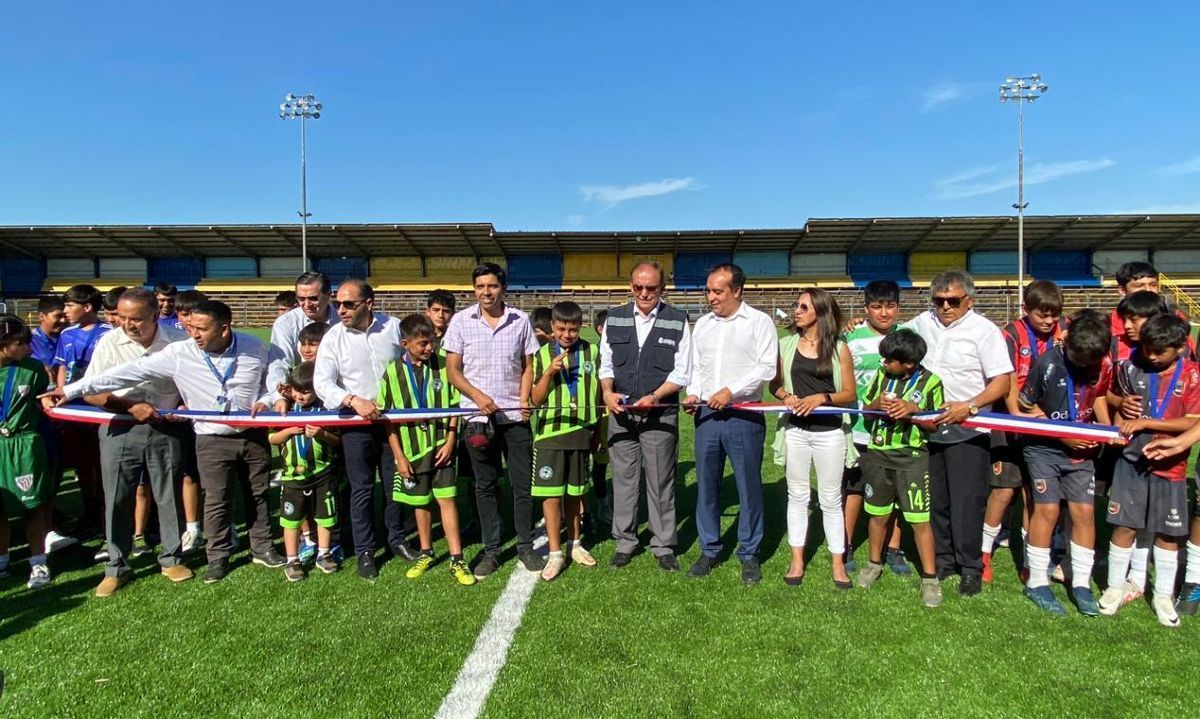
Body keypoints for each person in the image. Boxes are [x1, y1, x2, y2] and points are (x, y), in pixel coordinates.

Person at [53, 300, 285, 584]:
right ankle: (218, 557)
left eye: (202, 329)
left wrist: (266, 400)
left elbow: (273, 382)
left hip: (252, 434)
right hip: (210, 437)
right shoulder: (179, 353)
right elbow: (122, 374)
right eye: (191, 328)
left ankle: (262, 547)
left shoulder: (256, 346)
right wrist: (70, 390)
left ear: (224, 329)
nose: (195, 334)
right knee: (215, 499)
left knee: (258, 493)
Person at [906, 270, 1012, 596]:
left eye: (953, 301)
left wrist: (971, 406)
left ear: (969, 300)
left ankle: (970, 566)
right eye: (939, 301)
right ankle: (942, 559)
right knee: (936, 500)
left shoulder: (985, 331)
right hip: (928, 428)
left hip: (968, 428)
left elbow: (1001, 382)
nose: (946, 307)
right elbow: (894, 342)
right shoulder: (921, 323)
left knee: (967, 502)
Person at [82, 288, 194, 596]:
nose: (129, 325)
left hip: (166, 429)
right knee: (117, 497)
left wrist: (185, 405)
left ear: (155, 315)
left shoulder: (177, 341)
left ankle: (171, 557)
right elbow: (91, 391)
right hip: (119, 429)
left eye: (137, 319)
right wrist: (130, 406)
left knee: (167, 494)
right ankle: (116, 566)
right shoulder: (109, 342)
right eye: (123, 318)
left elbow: (192, 382)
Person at [1101, 313, 1200, 627]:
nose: (1152, 356)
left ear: (1180, 348)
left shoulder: (1193, 376)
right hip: (1130, 462)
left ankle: (1162, 595)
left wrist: (1147, 422)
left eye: (1160, 352)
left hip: (1170, 467)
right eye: (1147, 350)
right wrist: (1119, 420)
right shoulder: (1132, 368)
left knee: (1168, 534)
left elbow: (1193, 421)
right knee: (1124, 526)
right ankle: (1115, 588)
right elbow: (1117, 405)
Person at [444, 262, 542, 579]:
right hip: (477, 418)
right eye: (480, 286)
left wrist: (525, 398)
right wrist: (477, 396)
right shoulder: (460, 322)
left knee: (522, 485)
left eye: (492, 286)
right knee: (484, 486)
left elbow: (528, 366)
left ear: (503, 288)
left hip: (514, 417)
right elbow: (453, 371)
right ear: (474, 289)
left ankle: (525, 545)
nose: (486, 292)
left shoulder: (520, 320)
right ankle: (492, 550)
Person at [312, 279, 413, 579]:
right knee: (362, 488)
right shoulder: (333, 338)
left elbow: (412, 361)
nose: (340, 309)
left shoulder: (393, 328)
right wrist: (353, 400)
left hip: (392, 424)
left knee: (396, 485)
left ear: (369, 304)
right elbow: (322, 383)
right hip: (355, 425)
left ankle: (396, 539)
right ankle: (365, 550)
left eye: (348, 304)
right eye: (337, 304)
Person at [684, 264, 777, 584]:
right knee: (707, 486)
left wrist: (730, 391)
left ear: (737, 291)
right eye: (708, 291)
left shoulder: (759, 322)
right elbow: (696, 366)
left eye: (717, 291)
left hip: (744, 415)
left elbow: (766, 368)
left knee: (748, 487)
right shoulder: (703, 325)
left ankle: (749, 553)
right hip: (707, 416)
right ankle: (709, 549)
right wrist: (693, 392)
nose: (711, 297)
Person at [1016, 311, 1112, 616]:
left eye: (1090, 362)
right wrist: (1063, 435)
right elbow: (1025, 406)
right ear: (1067, 343)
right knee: (1047, 509)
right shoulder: (1047, 364)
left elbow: (1096, 397)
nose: (1084, 366)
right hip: (1044, 449)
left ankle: (1081, 582)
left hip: (1080, 451)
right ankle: (1037, 582)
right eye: (1078, 360)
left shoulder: (1101, 365)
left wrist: (1105, 430)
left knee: (1084, 511)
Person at [599, 261, 691, 571]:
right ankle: (625, 541)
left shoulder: (678, 320)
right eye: (638, 287)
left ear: (662, 288)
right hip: (622, 414)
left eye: (651, 287)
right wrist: (607, 393)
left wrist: (655, 396)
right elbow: (606, 364)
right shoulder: (615, 318)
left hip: (659, 414)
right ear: (630, 286)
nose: (644, 293)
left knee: (660, 480)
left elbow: (683, 371)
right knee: (624, 480)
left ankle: (663, 543)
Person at [768, 288, 856, 587]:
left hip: (829, 433)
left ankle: (838, 563)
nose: (797, 310)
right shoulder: (786, 344)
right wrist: (786, 395)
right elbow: (774, 385)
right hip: (795, 432)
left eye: (804, 306)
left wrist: (822, 397)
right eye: (797, 305)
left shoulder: (839, 348)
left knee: (831, 499)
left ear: (819, 311)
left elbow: (850, 394)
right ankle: (796, 560)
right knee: (798, 496)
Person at [379, 314, 474, 586]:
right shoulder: (391, 373)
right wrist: (398, 456)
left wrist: (451, 439)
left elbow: (455, 406)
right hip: (411, 450)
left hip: (441, 445)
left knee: (447, 500)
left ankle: (457, 558)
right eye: (422, 344)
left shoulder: (445, 367)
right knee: (420, 503)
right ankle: (426, 551)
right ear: (404, 343)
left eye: (431, 341)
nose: (429, 348)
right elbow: (388, 421)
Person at [855, 329, 945, 607]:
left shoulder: (931, 382)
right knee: (878, 514)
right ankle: (873, 563)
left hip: (912, 458)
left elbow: (936, 423)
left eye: (888, 360)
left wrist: (912, 411)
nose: (883, 364)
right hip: (879, 455)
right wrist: (876, 405)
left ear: (907, 363)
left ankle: (930, 579)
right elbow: (865, 409)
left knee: (919, 520)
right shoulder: (882, 377)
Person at [986, 279, 1065, 583]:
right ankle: (984, 551)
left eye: (1053, 315)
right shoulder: (1010, 334)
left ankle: (1032, 559)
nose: (1048, 322)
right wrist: (1020, 413)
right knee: (1004, 490)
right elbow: (1006, 377)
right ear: (1025, 309)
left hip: (1046, 424)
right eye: (1042, 315)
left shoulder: (1063, 333)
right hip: (1010, 420)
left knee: (1036, 493)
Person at [530, 301, 601, 581]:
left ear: (580, 326)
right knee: (550, 494)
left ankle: (575, 544)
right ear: (553, 327)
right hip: (550, 434)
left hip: (582, 432)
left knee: (575, 492)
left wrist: (598, 432)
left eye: (572, 329)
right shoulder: (541, 355)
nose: (567, 335)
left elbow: (598, 396)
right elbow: (534, 401)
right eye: (561, 329)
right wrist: (548, 373)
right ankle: (555, 551)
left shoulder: (593, 352)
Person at [842, 280, 908, 575]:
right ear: (866, 308)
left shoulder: (908, 337)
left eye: (890, 306)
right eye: (877, 307)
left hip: (898, 431)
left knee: (897, 492)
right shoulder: (851, 337)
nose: (884, 313)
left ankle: (893, 549)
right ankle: (844, 545)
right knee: (854, 489)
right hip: (860, 428)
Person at [269, 361, 342, 581]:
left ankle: (324, 553)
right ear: (289, 389)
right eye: (297, 391)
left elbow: (337, 441)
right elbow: (272, 438)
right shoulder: (285, 410)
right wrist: (289, 431)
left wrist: (321, 434)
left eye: (306, 392)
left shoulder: (326, 410)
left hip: (322, 474)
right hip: (293, 477)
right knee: (291, 520)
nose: (301, 396)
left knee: (325, 518)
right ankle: (292, 559)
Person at [0, 316, 56, 588]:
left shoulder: (32, 370)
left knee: (32, 506)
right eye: (20, 343)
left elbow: (46, 399)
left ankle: (38, 564)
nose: (28, 349)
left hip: (24, 444)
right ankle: (2, 563)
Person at [52, 284, 110, 538]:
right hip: (74, 408)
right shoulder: (67, 334)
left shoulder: (109, 334)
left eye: (69, 305)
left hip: (99, 407)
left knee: (103, 462)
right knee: (83, 463)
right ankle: (90, 510)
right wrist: (62, 391)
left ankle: (107, 513)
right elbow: (63, 367)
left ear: (87, 307)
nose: (65, 311)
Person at [269, 272, 339, 415]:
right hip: (303, 395)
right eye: (301, 299)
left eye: (313, 298)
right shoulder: (286, 323)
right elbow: (279, 363)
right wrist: (279, 397)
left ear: (329, 295)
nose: (307, 305)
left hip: (338, 392)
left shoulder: (342, 319)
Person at [30, 296, 66, 379]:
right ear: (42, 316)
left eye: (65, 316)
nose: (63, 320)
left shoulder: (70, 339)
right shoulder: (29, 341)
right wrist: (39, 366)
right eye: (58, 316)